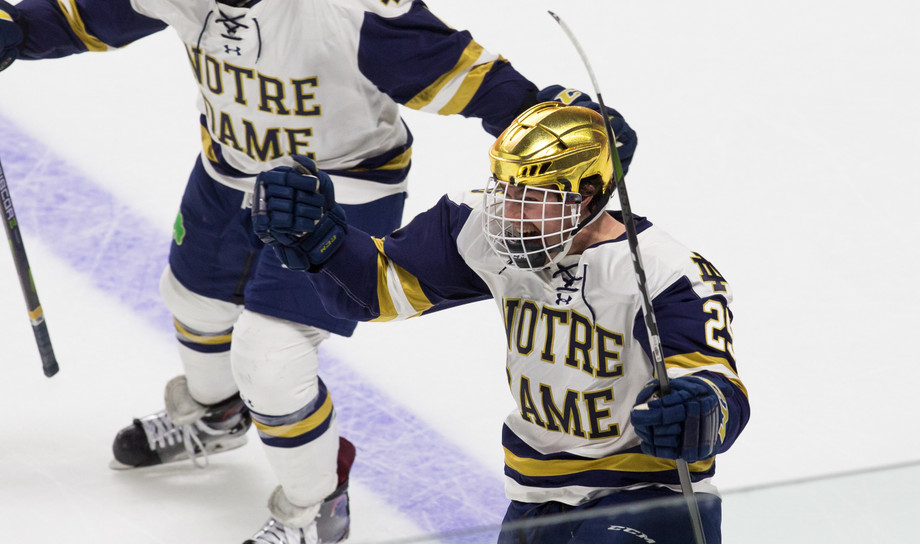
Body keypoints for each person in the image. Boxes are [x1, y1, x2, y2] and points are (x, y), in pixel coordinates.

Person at [0, 1, 637, 542]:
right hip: (229, 171)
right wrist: (13, 26)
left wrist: (566, 125)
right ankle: (216, 415)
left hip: (343, 186)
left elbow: (468, 77)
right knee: (193, 301)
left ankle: (316, 503)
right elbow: (78, 14)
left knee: (271, 356)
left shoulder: (348, 10)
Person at [252, 102, 749, 543]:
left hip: (646, 496)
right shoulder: (483, 228)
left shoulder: (665, 273)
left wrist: (701, 412)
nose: (510, 210)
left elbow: (717, 387)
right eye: (507, 187)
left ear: (591, 195)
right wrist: (318, 239)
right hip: (536, 492)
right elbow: (374, 290)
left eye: (532, 195)